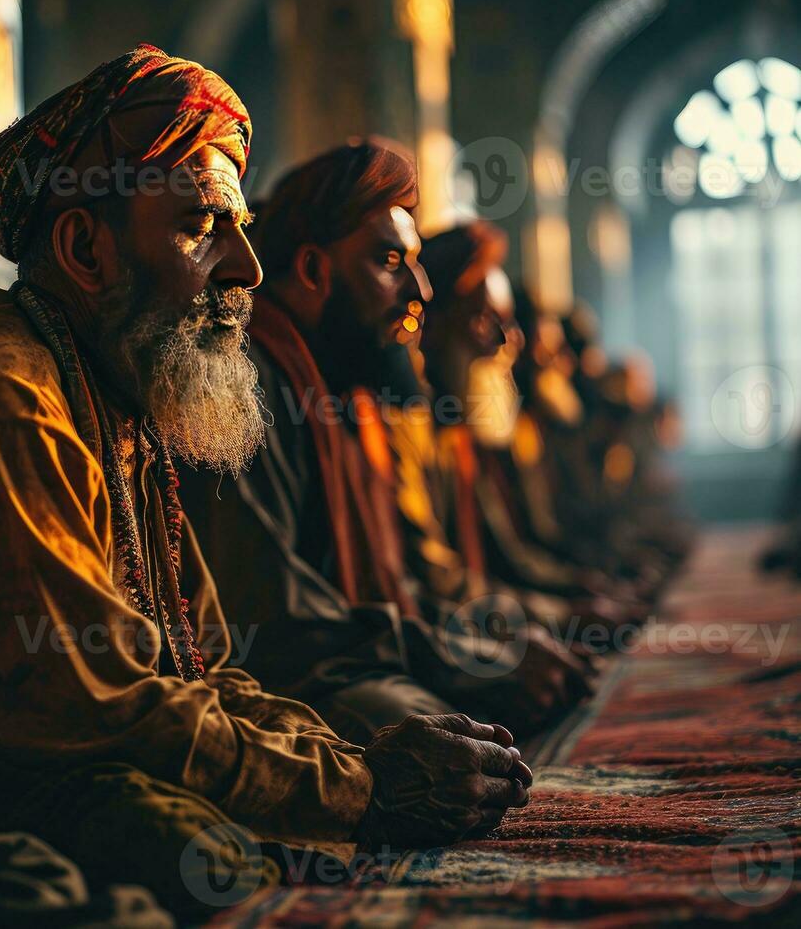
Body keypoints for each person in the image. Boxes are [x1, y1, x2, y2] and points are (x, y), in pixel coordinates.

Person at [0, 48, 530, 918]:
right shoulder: (0, 394)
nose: (247, 269)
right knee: (188, 851)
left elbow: (204, 672)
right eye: (202, 226)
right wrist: (357, 788)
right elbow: (75, 711)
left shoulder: (119, 402)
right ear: (85, 246)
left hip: (71, 761)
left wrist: (355, 757)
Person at [181, 138, 584, 743]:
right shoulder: (245, 384)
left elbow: (409, 587)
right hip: (296, 680)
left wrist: (488, 648)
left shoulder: (342, 397)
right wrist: (472, 662)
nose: (421, 293)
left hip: (357, 658)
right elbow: (278, 623)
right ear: (315, 271)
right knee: (456, 734)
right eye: (391, 264)